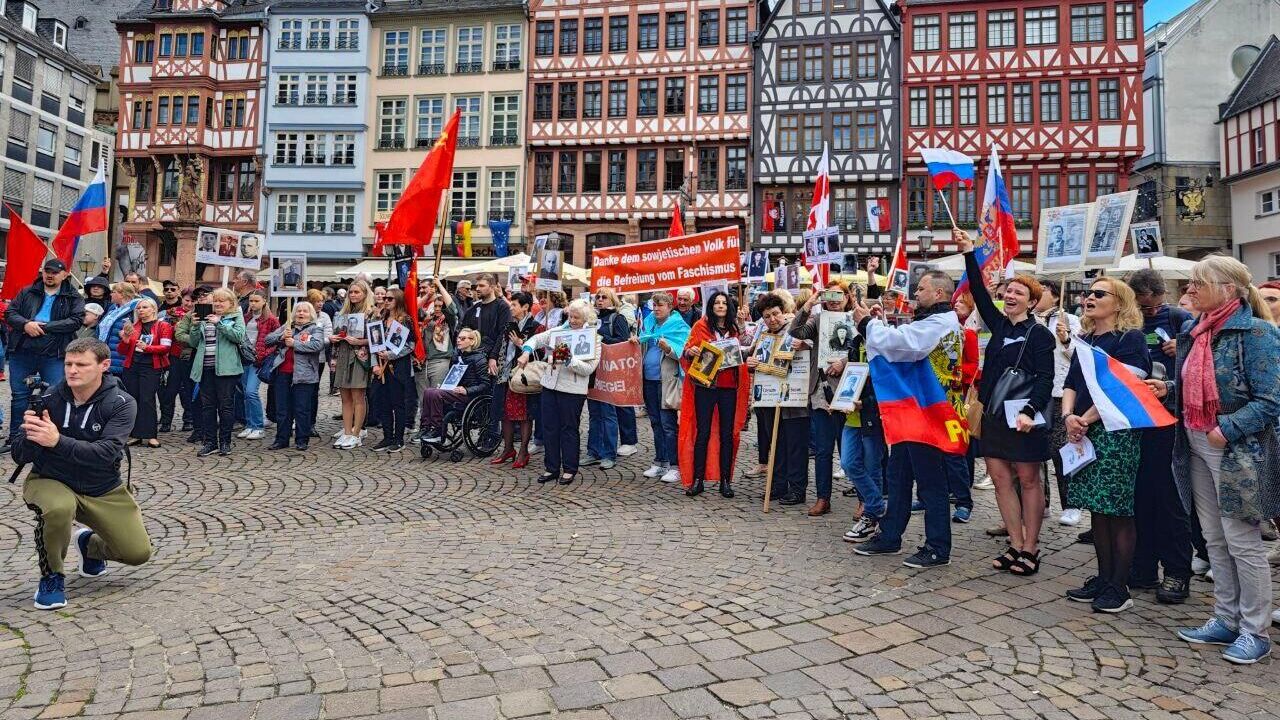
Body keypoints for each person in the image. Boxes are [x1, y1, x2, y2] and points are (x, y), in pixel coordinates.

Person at [1170, 256, 1280, 664]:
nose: (1192, 289)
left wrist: (1227, 428)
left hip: (1236, 452)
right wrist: (1166, 385)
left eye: (1201, 282)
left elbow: (1271, 401)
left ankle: (1255, 630)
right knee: (1214, 537)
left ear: (1228, 289)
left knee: (1242, 542)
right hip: (1195, 442)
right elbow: (1195, 385)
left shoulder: (1257, 333)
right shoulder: (1195, 330)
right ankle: (1225, 617)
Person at [16, 338, 150, 610]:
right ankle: (52, 576)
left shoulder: (122, 403)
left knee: (137, 553)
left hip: (102, 486)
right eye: (68, 364)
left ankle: (88, 545)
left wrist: (56, 440)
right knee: (57, 509)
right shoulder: (49, 399)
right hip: (51, 478)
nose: (72, 370)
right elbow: (20, 455)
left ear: (104, 365)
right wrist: (29, 434)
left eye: (81, 364)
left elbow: (106, 453)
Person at [851, 269, 965, 569]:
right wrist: (879, 323)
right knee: (898, 473)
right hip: (916, 410)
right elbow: (904, 342)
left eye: (922, 289)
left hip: (929, 412)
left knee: (930, 481)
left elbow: (907, 345)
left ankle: (938, 547)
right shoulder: (935, 320)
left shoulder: (940, 321)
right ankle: (890, 535)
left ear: (938, 294)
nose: (916, 294)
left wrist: (867, 324)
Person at [958, 231, 1055, 577]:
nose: (1010, 295)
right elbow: (979, 292)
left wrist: (1031, 410)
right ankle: (1014, 542)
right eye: (1008, 291)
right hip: (995, 414)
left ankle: (1032, 546)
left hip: (1024, 416)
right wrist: (970, 253)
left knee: (1028, 479)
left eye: (1019, 292)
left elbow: (1046, 378)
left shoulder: (1040, 334)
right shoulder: (998, 324)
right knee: (1000, 478)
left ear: (1031, 302)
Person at [1060, 276, 1150, 613]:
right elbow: (1071, 382)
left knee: (1117, 508)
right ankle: (1103, 577)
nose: (1089, 298)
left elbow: (1123, 387)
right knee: (1097, 508)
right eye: (1087, 293)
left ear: (1120, 301)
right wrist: (1069, 415)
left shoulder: (1130, 338)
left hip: (1115, 431)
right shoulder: (1083, 338)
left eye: (1099, 293)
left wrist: (1085, 419)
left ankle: (1119, 585)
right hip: (1082, 428)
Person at [1128, 268, 1195, 604]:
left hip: (1169, 420)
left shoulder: (1181, 319)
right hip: (1134, 420)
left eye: (1153, 307)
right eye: (1143, 308)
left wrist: (1181, 349)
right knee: (1140, 498)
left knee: (1169, 500)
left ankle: (1177, 571)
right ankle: (1142, 566)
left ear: (1162, 297)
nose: (1149, 313)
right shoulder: (1128, 323)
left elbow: (1198, 370)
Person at [516, 300, 602, 485]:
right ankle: (551, 467)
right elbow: (537, 339)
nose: (571, 320)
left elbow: (588, 368)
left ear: (586, 318)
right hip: (550, 385)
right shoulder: (559, 331)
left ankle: (570, 468)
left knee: (568, 429)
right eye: (570, 316)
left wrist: (570, 360)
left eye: (576, 317)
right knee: (549, 427)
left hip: (573, 390)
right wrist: (526, 351)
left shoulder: (594, 338)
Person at [789, 280, 855, 516]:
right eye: (830, 296)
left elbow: (867, 349)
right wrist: (808, 305)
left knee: (852, 451)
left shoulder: (856, 319)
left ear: (847, 298)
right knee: (824, 450)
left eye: (839, 296)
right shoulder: (818, 320)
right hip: (821, 391)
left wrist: (843, 362)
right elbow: (795, 332)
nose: (834, 301)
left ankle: (863, 498)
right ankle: (823, 498)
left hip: (850, 390)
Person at [4, 259, 86, 450]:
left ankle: (49, 435)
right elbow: (10, 313)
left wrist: (45, 327)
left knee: (54, 395)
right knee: (19, 395)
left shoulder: (73, 296)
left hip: (54, 352)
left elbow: (76, 320)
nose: (50, 275)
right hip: (23, 350)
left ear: (65, 274)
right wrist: (26, 324)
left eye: (55, 272)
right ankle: (16, 437)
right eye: (47, 271)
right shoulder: (28, 291)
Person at [679, 291, 749, 499]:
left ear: (729, 307)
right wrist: (690, 352)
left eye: (724, 303)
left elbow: (746, 349)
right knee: (703, 433)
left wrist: (743, 327)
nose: (720, 305)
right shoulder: (700, 326)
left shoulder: (734, 329)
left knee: (727, 434)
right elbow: (687, 350)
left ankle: (725, 481)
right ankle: (698, 480)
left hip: (728, 386)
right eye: (717, 303)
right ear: (711, 306)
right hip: (705, 385)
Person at [1033, 279, 1083, 526]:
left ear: (1054, 296)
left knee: (1061, 450)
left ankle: (1071, 503)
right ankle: (1040, 505)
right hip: (1035, 392)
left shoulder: (1069, 320)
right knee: (1035, 452)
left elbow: (1079, 357)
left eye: (1041, 290)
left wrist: (1065, 340)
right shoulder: (1029, 321)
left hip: (1059, 392)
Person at [638, 292, 689, 484]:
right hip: (649, 380)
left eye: (661, 305)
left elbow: (684, 352)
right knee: (655, 423)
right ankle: (660, 461)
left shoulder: (679, 326)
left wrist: (669, 349)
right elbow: (643, 342)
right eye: (655, 305)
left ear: (670, 307)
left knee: (668, 425)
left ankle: (675, 466)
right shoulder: (649, 324)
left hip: (666, 381)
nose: (657, 309)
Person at [189, 288, 246, 457]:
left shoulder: (236, 316)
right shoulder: (205, 316)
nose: (219, 303)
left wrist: (219, 324)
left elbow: (238, 336)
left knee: (226, 407)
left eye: (223, 301)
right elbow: (193, 342)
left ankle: (225, 442)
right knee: (208, 407)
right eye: (216, 300)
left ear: (231, 303)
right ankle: (210, 442)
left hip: (227, 369)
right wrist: (194, 326)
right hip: (205, 367)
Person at [263, 301, 325, 451]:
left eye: (304, 311)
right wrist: (281, 336)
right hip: (283, 373)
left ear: (310, 314)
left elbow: (317, 345)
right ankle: (281, 439)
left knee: (302, 409)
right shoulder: (287, 327)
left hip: (304, 375)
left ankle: (302, 439)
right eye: (298, 311)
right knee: (282, 409)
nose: (301, 314)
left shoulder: (315, 329)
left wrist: (294, 343)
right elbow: (267, 340)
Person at [584, 289, 633, 470]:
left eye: (604, 297)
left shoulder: (617, 319)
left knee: (608, 414)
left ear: (612, 300)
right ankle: (593, 451)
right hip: (593, 372)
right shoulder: (592, 320)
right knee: (594, 413)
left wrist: (601, 339)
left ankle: (609, 454)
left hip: (609, 372)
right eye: (597, 297)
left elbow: (623, 343)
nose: (600, 300)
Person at [492, 291, 542, 468]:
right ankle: (508, 449)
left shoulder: (535, 326)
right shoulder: (510, 324)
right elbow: (500, 344)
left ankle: (523, 452)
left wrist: (521, 345)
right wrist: (493, 358)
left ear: (525, 307)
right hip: (505, 375)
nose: (510, 307)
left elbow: (540, 354)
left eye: (514, 305)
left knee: (524, 414)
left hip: (523, 377)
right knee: (504, 413)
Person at [117, 297, 173, 448]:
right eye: (139, 308)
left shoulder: (163, 326)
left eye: (145, 307)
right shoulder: (133, 327)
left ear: (153, 309)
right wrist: (126, 339)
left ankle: (150, 435)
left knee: (147, 399)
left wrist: (147, 348)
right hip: (132, 366)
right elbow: (121, 351)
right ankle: (135, 434)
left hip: (151, 367)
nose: (141, 310)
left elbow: (165, 348)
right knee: (133, 399)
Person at [419, 328, 491, 444]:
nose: (459, 341)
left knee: (436, 394)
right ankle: (426, 427)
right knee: (429, 391)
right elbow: (451, 377)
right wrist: (443, 385)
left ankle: (438, 431)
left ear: (472, 342)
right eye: (458, 338)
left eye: (463, 339)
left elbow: (485, 384)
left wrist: (467, 390)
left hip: (469, 395)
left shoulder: (479, 359)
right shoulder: (456, 356)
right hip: (455, 392)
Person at [370, 290, 416, 452]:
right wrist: (374, 364)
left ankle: (398, 439)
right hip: (381, 369)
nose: (385, 300)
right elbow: (373, 344)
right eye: (384, 298)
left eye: (390, 298)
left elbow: (410, 346)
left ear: (398, 301)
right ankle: (387, 437)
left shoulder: (404, 321)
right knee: (383, 403)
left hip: (398, 369)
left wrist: (390, 354)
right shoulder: (380, 319)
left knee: (398, 404)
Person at [331, 279, 374, 449]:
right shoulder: (343, 312)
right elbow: (336, 332)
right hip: (343, 354)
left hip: (359, 357)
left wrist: (359, 341)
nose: (354, 295)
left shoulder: (371, 313)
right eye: (351, 292)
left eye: (357, 292)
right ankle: (347, 431)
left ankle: (357, 433)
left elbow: (376, 339)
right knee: (345, 397)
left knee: (358, 396)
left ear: (365, 294)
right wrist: (333, 338)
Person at [237, 290, 276, 441]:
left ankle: (258, 426)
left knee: (251, 392)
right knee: (244, 393)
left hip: (259, 360)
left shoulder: (271, 319)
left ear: (264, 301)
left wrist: (264, 353)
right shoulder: (245, 318)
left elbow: (276, 339)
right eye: (251, 301)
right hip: (245, 358)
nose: (253, 304)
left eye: (256, 301)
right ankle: (249, 424)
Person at [170, 287, 208, 439]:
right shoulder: (189, 315)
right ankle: (197, 428)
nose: (201, 300)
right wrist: (193, 341)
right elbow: (179, 334)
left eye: (204, 297)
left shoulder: (220, 314)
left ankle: (209, 428)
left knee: (210, 395)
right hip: (192, 356)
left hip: (213, 358)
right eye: (199, 297)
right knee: (193, 393)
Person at [99, 283, 141, 377]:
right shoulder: (113, 310)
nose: (110, 294)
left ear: (122, 294)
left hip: (120, 357)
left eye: (113, 292)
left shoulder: (134, 310)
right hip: (106, 353)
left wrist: (126, 333)